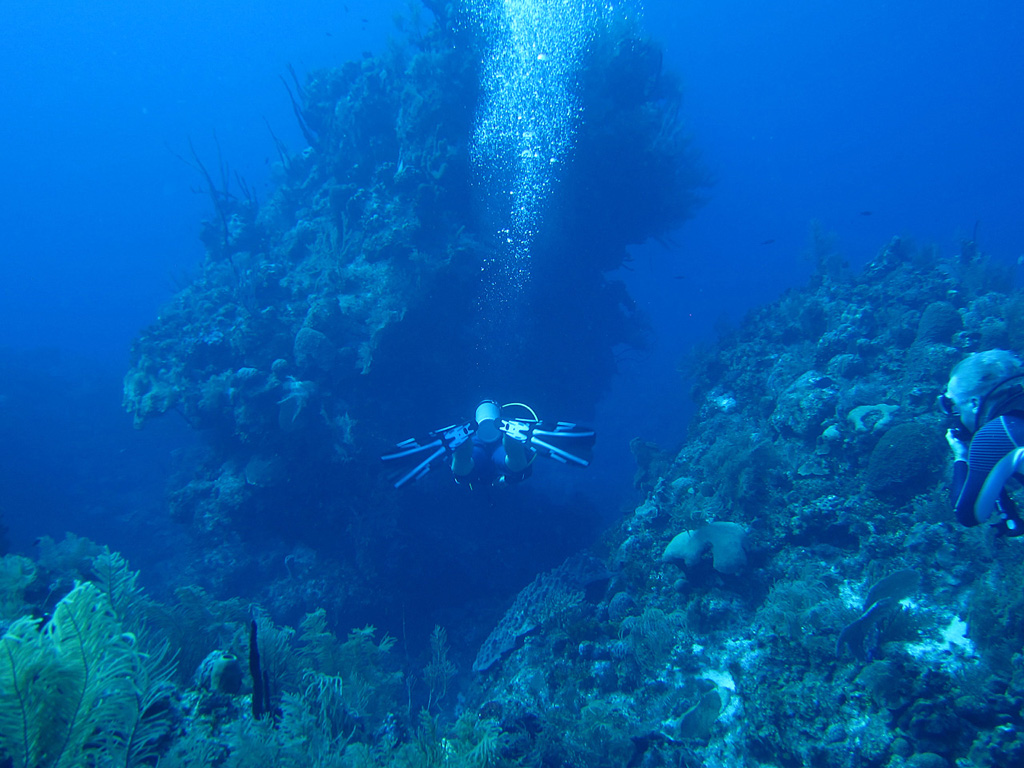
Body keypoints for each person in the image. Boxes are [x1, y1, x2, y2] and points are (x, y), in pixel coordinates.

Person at [381, 400, 595, 489]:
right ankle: (510, 432)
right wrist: (505, 481)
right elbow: (519, 473)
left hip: (477, 443)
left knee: (464, 465)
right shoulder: (503, 477)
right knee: (515, 461)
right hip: (497, 442)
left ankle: (462, 436)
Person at [941, 349, 1024, 536]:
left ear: (974, 403)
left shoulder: (996, 434)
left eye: (954, 405)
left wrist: (961, 456)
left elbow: (968, 514)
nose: (956, 415)